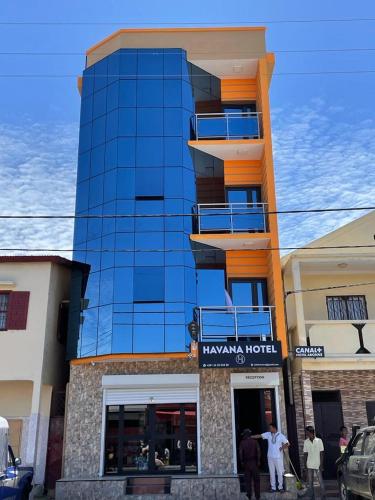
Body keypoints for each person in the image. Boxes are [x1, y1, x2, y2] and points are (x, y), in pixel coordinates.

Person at [253, 422, 289, 493]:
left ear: (274, 428)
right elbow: (259, 436)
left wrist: (282, 447)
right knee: (271, 472)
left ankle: (280, 487)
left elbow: (287, 443)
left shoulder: (280, 435)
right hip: (270, 456)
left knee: (279, 472)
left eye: (270, 428)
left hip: (278, 457)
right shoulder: (268, 434)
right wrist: (250, 437)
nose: (269, 429)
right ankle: (273, 487)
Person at [303, 426, 326, 499]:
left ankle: (323, 497)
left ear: (310, 432)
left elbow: (321, 453)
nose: (306, 433)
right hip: (309, 464)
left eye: (307, 432)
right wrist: (305, 465)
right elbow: (305, 454)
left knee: (320, 482)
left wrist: (321, 465)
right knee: (310, 483)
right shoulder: (306, 442)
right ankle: (312, 497)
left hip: (317, 464)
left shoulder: (319, 441)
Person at [239, 429, 261, 500]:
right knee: (256, 481)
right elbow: (258, 451)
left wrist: (242, 462)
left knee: (248, 481)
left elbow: (240, 453)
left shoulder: (242, 443)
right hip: (254, 462)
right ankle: (257, 496)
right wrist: (258, 461)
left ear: (246, 435)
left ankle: (249, 496)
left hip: (246, 463)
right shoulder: (255, 442)